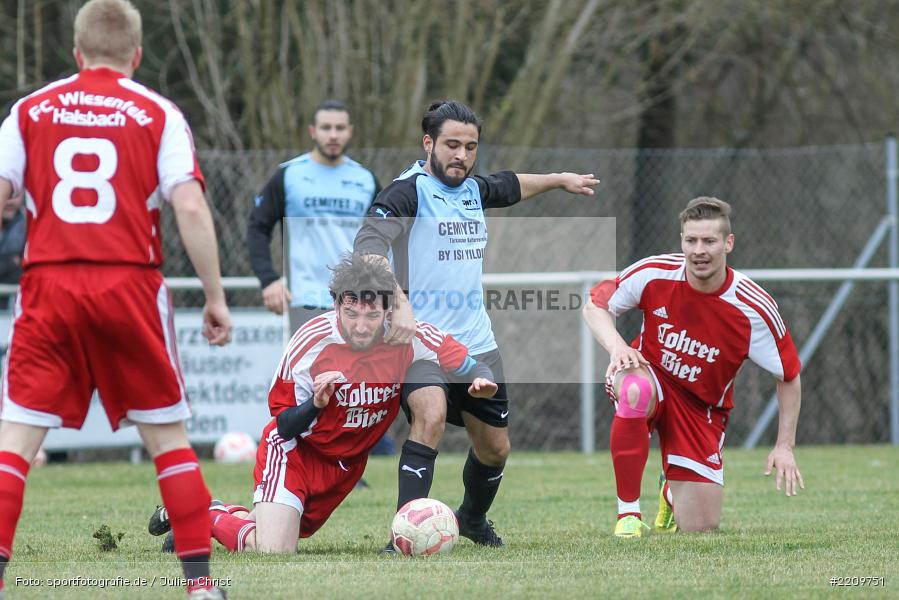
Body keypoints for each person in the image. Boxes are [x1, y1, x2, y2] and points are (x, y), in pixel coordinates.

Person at [0, 1, 232, 598]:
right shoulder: (158, 112)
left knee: (15, 444)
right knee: (168, 441)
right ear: (137, 54)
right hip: (129, 285)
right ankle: (201, 588)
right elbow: (188, 206)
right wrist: (214, 296)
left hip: (49, 285)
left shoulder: (29, 110)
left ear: (77, 53)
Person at [354, 100, 600, 550]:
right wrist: (398, 303)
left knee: (495, 449)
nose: (461, 155)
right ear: (428, 143)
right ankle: (404, 533)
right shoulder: (407, 193)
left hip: (476, 345)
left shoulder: (471, 190)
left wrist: (558, 180)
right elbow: (367, 247)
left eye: (470, 147)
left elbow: (510, 185)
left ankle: (470, 519)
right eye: (451, 145)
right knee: (430, 415)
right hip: (420, 343)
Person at [147, 254, 497, 553]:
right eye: (351, 313)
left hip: (345, 466)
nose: (361, 326)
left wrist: (481, 379)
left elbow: (466, 362)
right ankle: (198, 513)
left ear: (388, 310)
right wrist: (316, 403)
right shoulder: (312, 342)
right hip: (296, 453)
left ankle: (210, 512)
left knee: (274, 529)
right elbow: (283, 425)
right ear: (337, 305)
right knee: (273, 549)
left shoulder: (406, 335)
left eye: (372, 316)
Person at [582, 197, 804, 537]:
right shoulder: (655, 272)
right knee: (635, 390)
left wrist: (784, 446)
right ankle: (628, 514)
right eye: (691, 240)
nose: (699, 251)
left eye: (709, 241)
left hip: (702, 410)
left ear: (728, 243)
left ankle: (669, 491)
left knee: (701, 528)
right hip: (651, 376)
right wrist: (618, 347)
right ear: (682, 241)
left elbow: (788, 376)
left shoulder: (754, 308)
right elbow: (595, 306)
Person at [247, 99, 381, 330]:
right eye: (326, 128)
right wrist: (268, 280)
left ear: (350, 132)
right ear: (312, 131)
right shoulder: (288, 175)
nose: (333, 135)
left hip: (358, 301)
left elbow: (384, 237)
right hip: (305, 299)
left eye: (340, 128)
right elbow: (257, 228)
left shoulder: (366, 180)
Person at [0, 194, 25, 287]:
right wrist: (12, 262)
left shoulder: (30, 225)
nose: (9, 201)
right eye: (5, 192)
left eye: (15, 194)